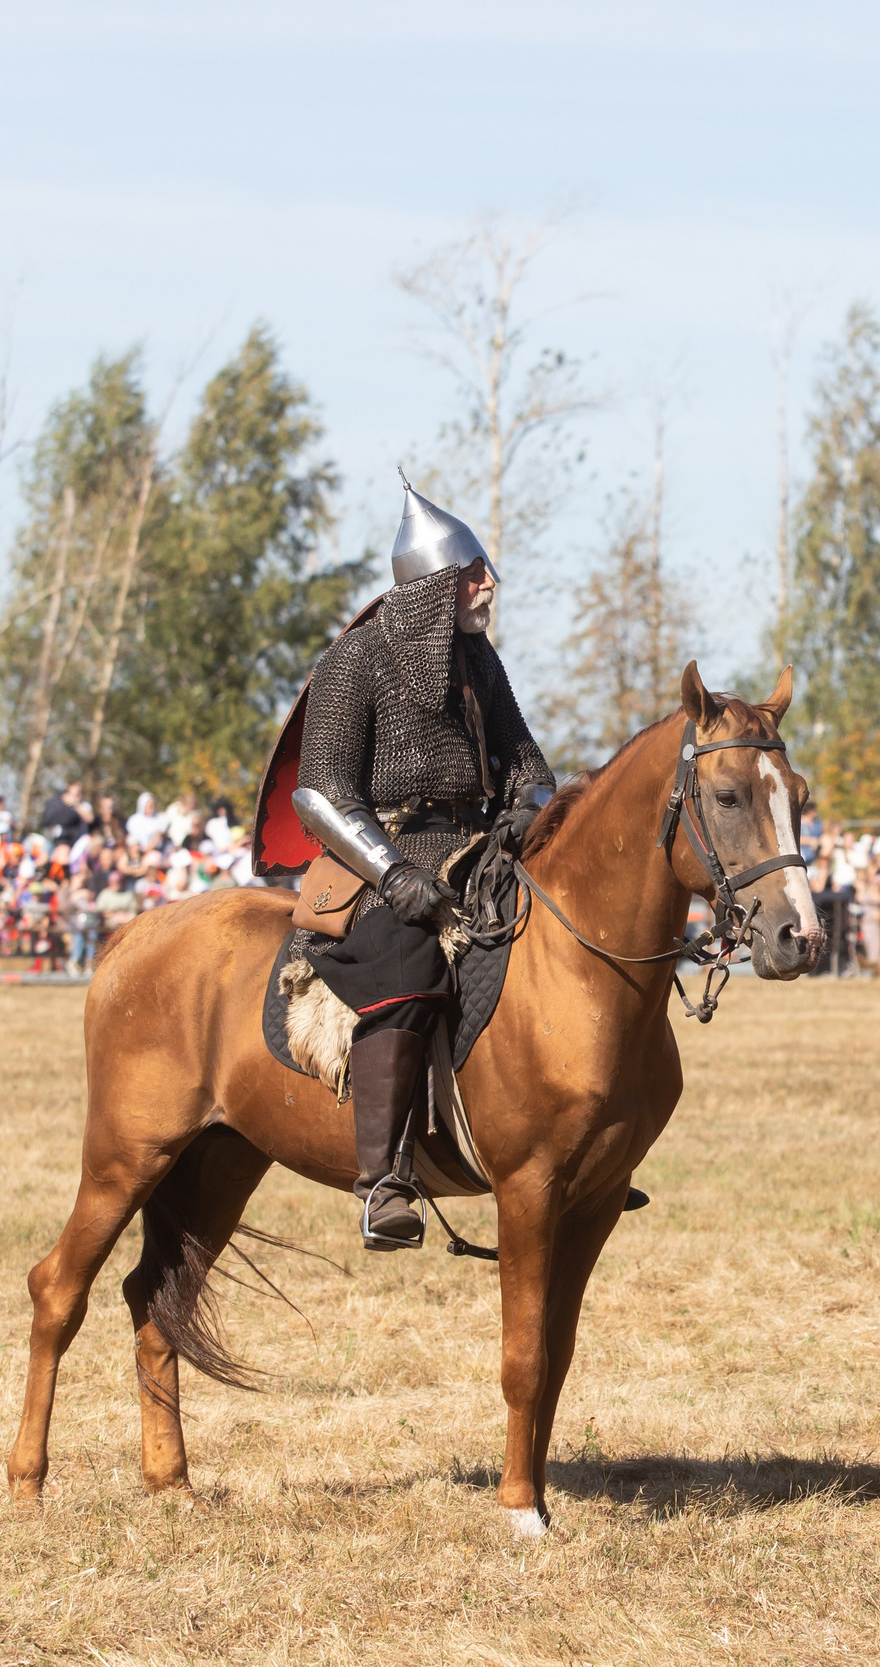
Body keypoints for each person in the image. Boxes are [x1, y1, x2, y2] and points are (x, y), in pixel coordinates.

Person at [254, 476, 555, 1251]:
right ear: (431, 587)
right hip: (379, 859)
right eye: (473, 571)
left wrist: (529, 807)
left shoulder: (476, 661)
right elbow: (320, 793)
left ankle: (568, 1137)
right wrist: (391, 873)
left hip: (477, 849)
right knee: (410, 958)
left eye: (484, 568)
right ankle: (385, 1179)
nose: (489, 583)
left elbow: (528, 764)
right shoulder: (355, 660)